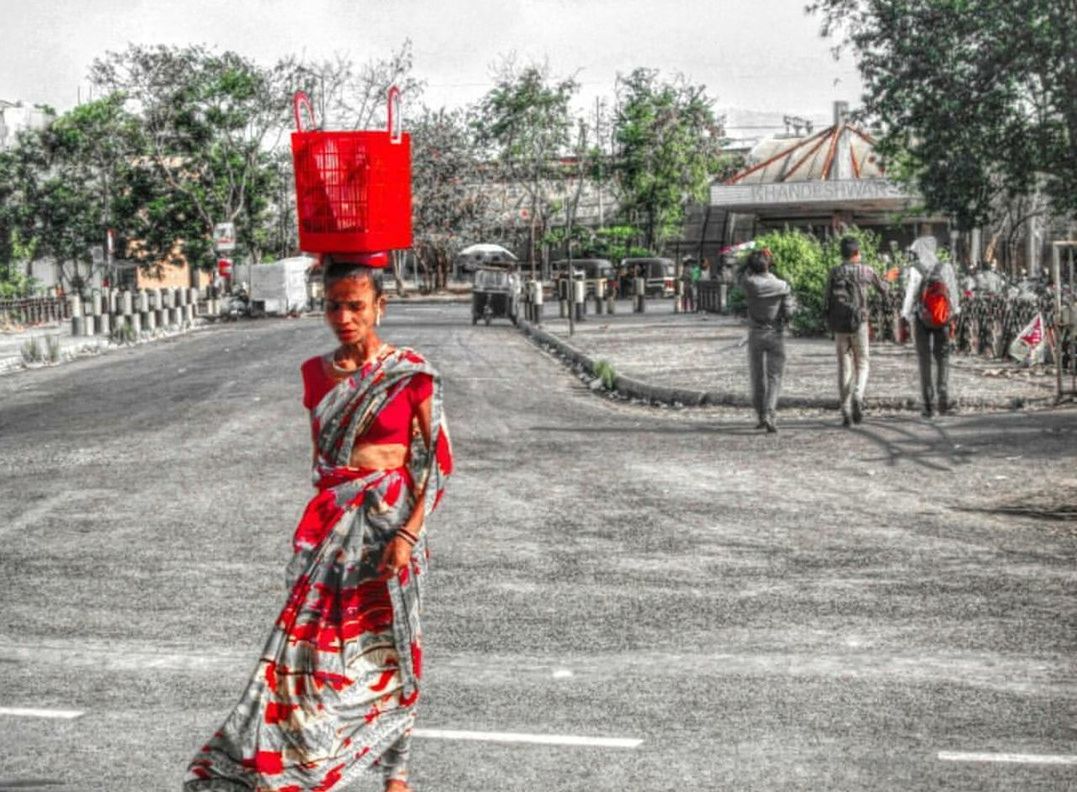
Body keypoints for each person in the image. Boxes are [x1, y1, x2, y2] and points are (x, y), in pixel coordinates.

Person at [184, 253, 454, 792]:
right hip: (332, 530)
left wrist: (408, 533)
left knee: (395, 647)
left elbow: (438, 462)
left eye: (356, 305)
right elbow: (324, 463)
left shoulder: (411, 373)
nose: (344, 316)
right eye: (334, 306)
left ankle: (395, 776)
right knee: (307, 650)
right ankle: (296, 762)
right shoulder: (314, 373)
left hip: (391, 531)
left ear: (380, 306)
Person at [823, 236, 889, 426]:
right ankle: (858, 395)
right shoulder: (866, 271)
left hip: (839, 325)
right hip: (860, 322)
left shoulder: (834, 272)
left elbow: (827, 300)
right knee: (862, 363)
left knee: (844, 367)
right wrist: (888, 278)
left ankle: (845, 410)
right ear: (856, 252)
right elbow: (883, 290)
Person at [902, 233, 960, 417]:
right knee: (943, 356)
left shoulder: (916, 269)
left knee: (924, 359)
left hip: (921, 319)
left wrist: (905, 315)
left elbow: (911, 295)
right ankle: (943, 397)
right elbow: (954, 294)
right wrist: (953, 313)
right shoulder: (946, 268)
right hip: (942, 318)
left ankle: (928, 403)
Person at [741, 248, 793, 433]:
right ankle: (771, 412)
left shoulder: (749, 283)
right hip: (775, 333)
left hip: (755, 333)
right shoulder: (781, 285)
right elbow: (788, 311)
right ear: (769, 265)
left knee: (757, 376)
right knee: (775, 376)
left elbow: (745, 271)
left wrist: (757, 259)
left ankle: (761, 415)